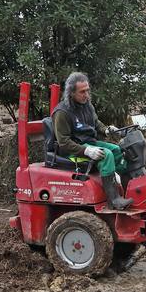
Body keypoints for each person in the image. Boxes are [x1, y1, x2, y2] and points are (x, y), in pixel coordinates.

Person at [53, 71, 131, 210]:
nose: (87, 95)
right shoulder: (62, 113)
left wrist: (106, 130)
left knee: (118, 151)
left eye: (88, 91)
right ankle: (114, 200)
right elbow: (63, 142)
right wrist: (86, 151)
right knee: (106, 155)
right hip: (72, 151)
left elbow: (96, 123)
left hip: (89, 142)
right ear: (71, 93)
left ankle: (123, 189)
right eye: (82, 92)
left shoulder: (87, 106)